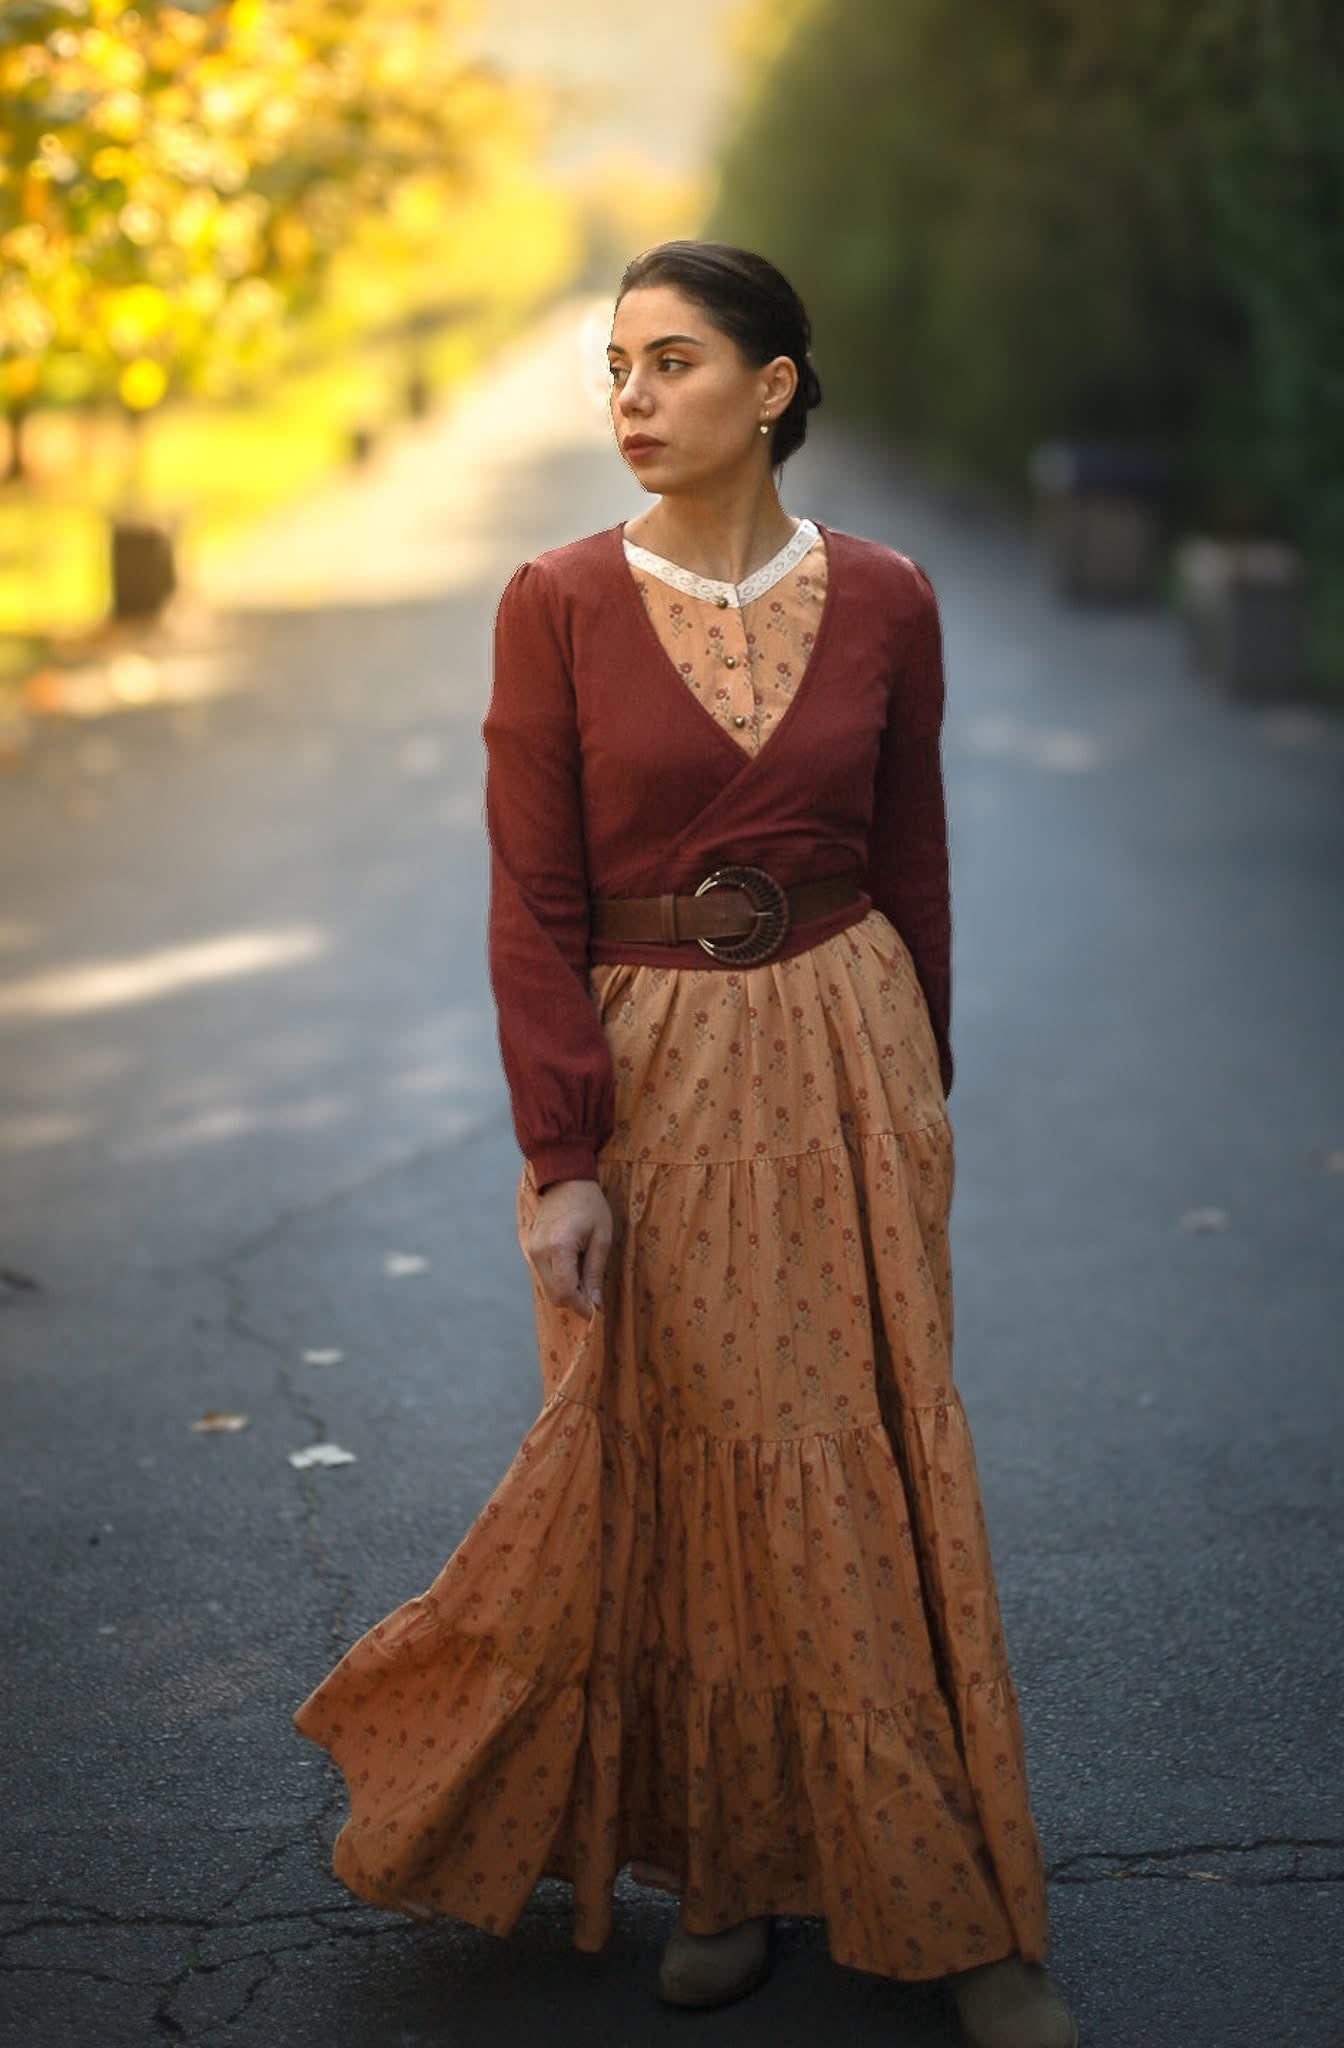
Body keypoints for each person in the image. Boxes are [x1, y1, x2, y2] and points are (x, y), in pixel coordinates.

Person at [292, 239, 1079, 2048]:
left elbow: (913, 863)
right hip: (647, 1083)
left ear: (773, 386)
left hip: (848, 1062)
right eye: (615, 368)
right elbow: (530, 900)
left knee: (868, 1474)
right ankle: (722, 1868)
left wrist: (917, 1094)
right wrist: (563, 1153)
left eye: (672, 364)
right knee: (688, 1477)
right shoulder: (552, 600)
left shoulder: (886, 596)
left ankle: (955, 1899)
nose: (630, 401)